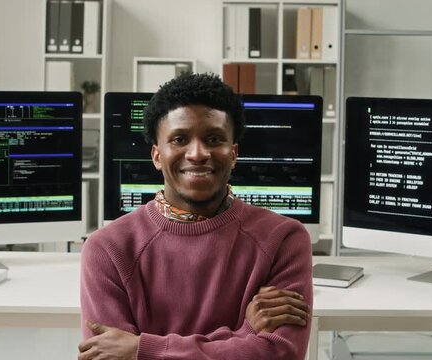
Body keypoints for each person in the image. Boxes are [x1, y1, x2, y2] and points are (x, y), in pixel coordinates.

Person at [78, 72, 313, 360]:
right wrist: (245, 335)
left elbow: (281, 355)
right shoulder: (107, 249)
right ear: (156, 155)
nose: (198, 153)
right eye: (179, 139)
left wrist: (143, 349)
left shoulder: (284, 239)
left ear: (233, 153)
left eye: (214, 139)